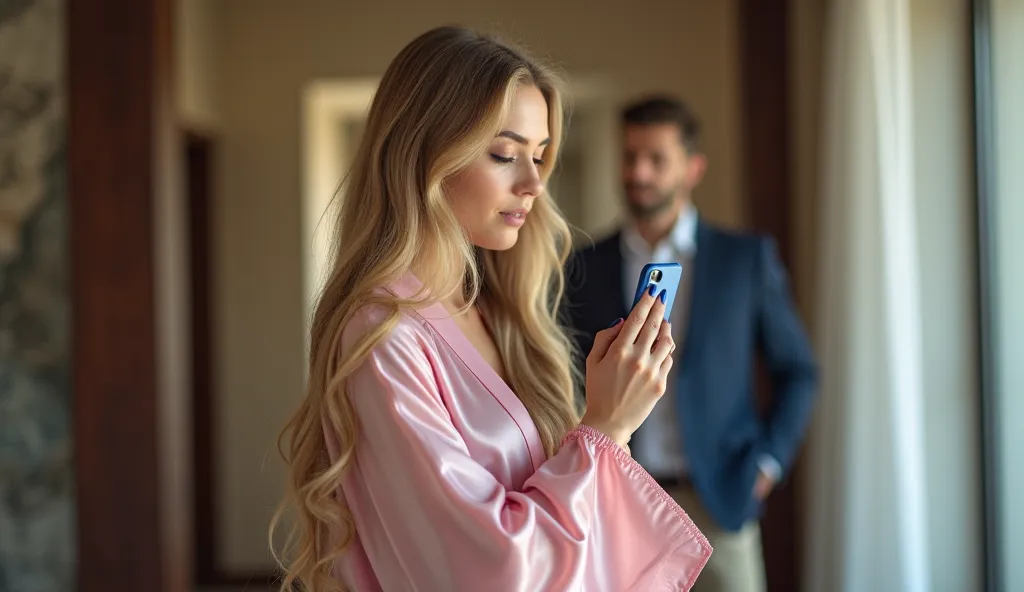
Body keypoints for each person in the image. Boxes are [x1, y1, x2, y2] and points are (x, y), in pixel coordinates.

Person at [269, 28, 712, 592]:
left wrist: (608, 431)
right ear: (425, 152)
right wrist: (605, 426)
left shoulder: (495, 313)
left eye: (539, 156)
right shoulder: (383, 338)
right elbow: (486, 572)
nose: (533, 184)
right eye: (504, 154)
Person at [564, 96, 819, 592]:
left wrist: (767, 462)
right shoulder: (583, 266)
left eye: (656, 159)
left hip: (720, 500)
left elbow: (798, 371)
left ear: (693, 167)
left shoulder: (744, 259)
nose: (638, 172)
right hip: (619, 500)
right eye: (629, 156)